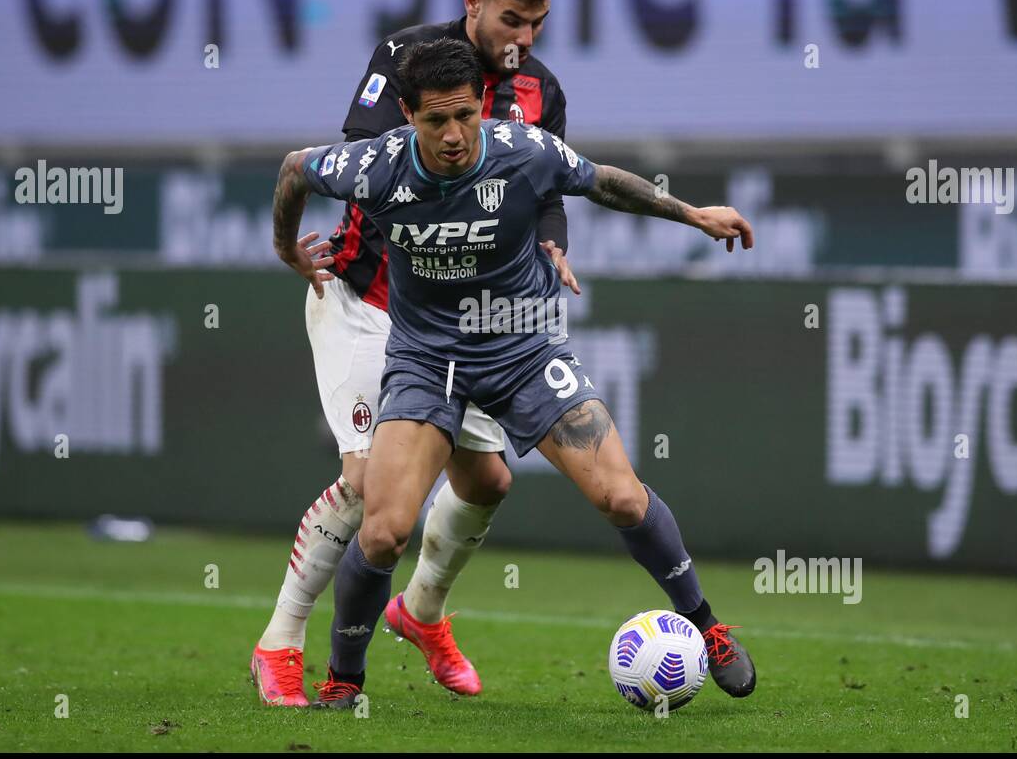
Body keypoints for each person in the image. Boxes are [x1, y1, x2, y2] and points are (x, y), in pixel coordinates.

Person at [272, 38, 758, 708]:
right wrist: (286, 250)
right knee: (383, 530)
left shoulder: (522, 151)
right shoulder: (376, 166)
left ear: (481, 106)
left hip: (524, 347)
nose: (453, 135)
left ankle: (709, 627)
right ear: (407, 115)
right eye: (435, 120)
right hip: (427, 360)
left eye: (465, 115)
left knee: (621, 495)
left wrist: (693, 214)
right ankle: (344, 678)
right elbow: (295, 169)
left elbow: (601, 180)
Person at [251, 0, 575, 705]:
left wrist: (553, 237)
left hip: (467, 324)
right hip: (369, 302)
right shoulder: (404, 58)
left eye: (536, 25)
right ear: (472, 4)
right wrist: (284, 247)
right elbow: (357, 159)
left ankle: (422, 611)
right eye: (510, 20)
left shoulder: (540, 90)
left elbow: (553, 180)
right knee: (368, 485)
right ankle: (280, 641)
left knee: (488, 479)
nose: (522, 39)